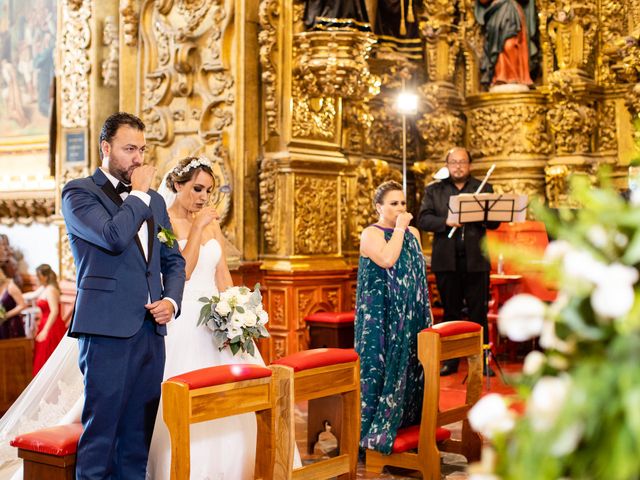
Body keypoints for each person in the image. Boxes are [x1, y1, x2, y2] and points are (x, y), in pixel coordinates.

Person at [61, 112, 186, 479]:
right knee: (102, 435)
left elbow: (173, 260)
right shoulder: (79, 193)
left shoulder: (155, 204)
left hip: (150, 331)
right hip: (106, 330)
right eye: (129, 149)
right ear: (106, 148)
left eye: (142, 149)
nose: (137, 158)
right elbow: (114, 237)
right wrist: (142, 194)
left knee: (137, 438)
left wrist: (172, 301)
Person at [147, 155, 272, 479]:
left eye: (209, 191)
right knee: (187, 394)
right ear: (177, 185)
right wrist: (199, 227)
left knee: (240, 392)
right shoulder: (164, 222)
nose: (203, 197)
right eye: (197, 188)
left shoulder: (211, 221)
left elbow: (222, 273)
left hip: (218, 317)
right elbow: (182, 273)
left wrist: (238, 307)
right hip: (182, 314)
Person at [355, 180, 432, 454]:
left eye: (403, 203)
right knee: (379, 367)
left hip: (409, 313)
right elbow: (388, 259)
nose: (400, 208)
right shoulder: (371, 234)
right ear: (379, 207)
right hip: (380, 314)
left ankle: (407, 425)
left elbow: (416, 272)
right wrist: (399, 229)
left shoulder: (412, 231)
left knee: (413, 366)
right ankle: (371, 435)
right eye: (393, 203)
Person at [417, 147, 500, 376]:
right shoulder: (434, 190)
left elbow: (494, 224)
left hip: (476, 261)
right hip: (447, 261)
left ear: (469, 165)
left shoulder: (483, 188)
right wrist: (448, 222)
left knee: (478, 312)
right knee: (451, 312)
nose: (458, 166)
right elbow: (424, 219)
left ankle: (481, 360)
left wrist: (482, 214)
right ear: (447, 164)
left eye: (462, 162)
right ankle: (451, 360)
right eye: (453, 162)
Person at [475, 0, 539, 89]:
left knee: (510, 45)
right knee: (497, 47)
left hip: (512, 12)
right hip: (496, 14)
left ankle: (516, 76)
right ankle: (501, 76)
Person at [27, 264, 67, 376]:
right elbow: (31, 295)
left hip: (52, 327)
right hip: (45, 324)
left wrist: (45, 330)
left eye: (37, 276)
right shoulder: (44, 288)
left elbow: (54, 311)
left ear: (44, 277)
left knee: (48, 358)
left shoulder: (50, 290)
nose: (36, 278)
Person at [0, 269, 26, 339]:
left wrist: (5, 316)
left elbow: (22, 305)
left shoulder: (11, 286)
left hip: (12, 324)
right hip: (2, 324)